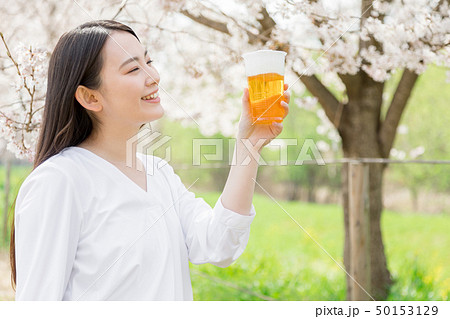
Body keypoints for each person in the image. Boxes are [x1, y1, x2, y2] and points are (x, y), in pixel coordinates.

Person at [10, 20, 290, 301]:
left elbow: (219, 244)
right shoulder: (60, 181)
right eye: (133, 68)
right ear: (89, 97)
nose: (153, 76)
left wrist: (249, 146)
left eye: (149, 61)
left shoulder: (159, 173)